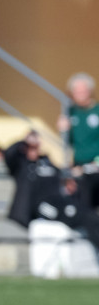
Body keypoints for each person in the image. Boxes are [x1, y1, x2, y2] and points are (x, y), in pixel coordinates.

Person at [4, 130, 99, 251]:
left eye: (36, 147)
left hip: (60, 201)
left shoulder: (46, 162)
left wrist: (69, 182)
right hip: (41, 206)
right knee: (77, 215)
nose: (34, 150)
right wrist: (23, 142)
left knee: (90, 215)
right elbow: (9, 154)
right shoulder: (22, 165)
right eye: (30, 147)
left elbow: (61, 176)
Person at [57, 72, 99, 206]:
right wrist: (63, 131)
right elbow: (70, 143)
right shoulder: (70, 112)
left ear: (90, 91)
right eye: (76, 91)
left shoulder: (97, 110)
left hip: (96, 164)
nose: (80, 94)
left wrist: (95, 164)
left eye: (83, 91)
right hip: (78, 165)